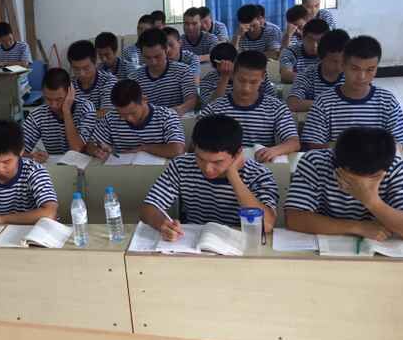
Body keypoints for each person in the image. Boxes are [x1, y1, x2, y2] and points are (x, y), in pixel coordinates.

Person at [285, 127, 403, 340]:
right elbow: (296, 218)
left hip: (384, 262)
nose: (358, 182)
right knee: (294, 287)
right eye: (350, 175)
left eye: (370, 177)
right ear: (338, 162)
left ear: (382, 170)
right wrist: (358, 226)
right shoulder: (316, 162)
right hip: (324, 255)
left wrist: (370, 199)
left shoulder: (398, 168)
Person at [140, 114, 278, 235]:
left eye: (217, 162)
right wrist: (162, 224)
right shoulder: (181, 165)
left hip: (238, 241)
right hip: (192, 240)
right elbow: (149, 207)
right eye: (200, 158)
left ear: (237, 153)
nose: (207, 169)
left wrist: (233, 175)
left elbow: (266, 225)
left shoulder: (258, 174)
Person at [301, 36, 403, 149]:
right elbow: (314, 145)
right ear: (343, 66)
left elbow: (398, 143)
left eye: (370, 70)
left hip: (379, 160)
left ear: (376, 69)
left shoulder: (387, 101)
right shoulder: (324, 102)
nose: (361, 77)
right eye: (355, 68)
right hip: (337, 160)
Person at [200, 51, 299, 162]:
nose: (246, 88)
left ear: (263, 78)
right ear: (233, 75)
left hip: (261, 165)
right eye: (241, 80)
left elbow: (294, 142)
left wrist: (274, 150)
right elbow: (196, 145)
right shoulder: (214, 108)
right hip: (223, 166)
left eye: (253, 82)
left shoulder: (276, 108)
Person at [86, 79, 185, 161]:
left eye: (132, 113)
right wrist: (96, 150)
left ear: (144, 100)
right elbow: (91, 144)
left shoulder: (167, 116)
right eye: (122, 114)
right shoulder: (111, 117)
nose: (128, 118)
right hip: (122, 170)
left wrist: (144, 148)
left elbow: (177, 150)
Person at [22, 68, 96, 162]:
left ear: (70, 93)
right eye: (48, 99)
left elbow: (77, 149)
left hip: (86, 165)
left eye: (59, 99)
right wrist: (31, 157)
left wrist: (66, 112)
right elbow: (15, 151)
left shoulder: (85, 109)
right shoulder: (38, 115)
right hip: (55, 166)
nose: (53, 105)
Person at [129, 28, 197, 116]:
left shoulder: (183, 71)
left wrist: (179, 109)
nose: (153, 62)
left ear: (166, 50)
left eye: (157, 56)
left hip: (177, 119)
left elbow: (192, 100)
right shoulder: (134, 78)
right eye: (147, 57)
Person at [287, 29, 349, 112]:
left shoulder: (352, 74)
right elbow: (292, 103)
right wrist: (332, 104)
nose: (339, 67)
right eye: (334, 61)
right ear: (320, 57)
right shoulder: (307, 75)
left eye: (344, 61)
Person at [199, 43, 276, 105]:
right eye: (221, 64)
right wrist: (224, 78)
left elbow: (272, 97)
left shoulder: (255, 75)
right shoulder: (208, 80)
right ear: (215, 65)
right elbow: (210, 106)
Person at [67, 40, 116, 114]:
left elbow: (107, 113)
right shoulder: (70, 85)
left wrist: (77, 116)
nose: (82, 74)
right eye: (76, 69)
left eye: (86, 68)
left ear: (95, 62)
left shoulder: (108, 81)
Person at [279, 18, 329, 83]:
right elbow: (285, 75)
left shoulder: (330, 54)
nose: (315, 45)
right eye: (310, 40)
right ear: (302, 37)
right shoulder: (290, 52)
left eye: (319, 41)